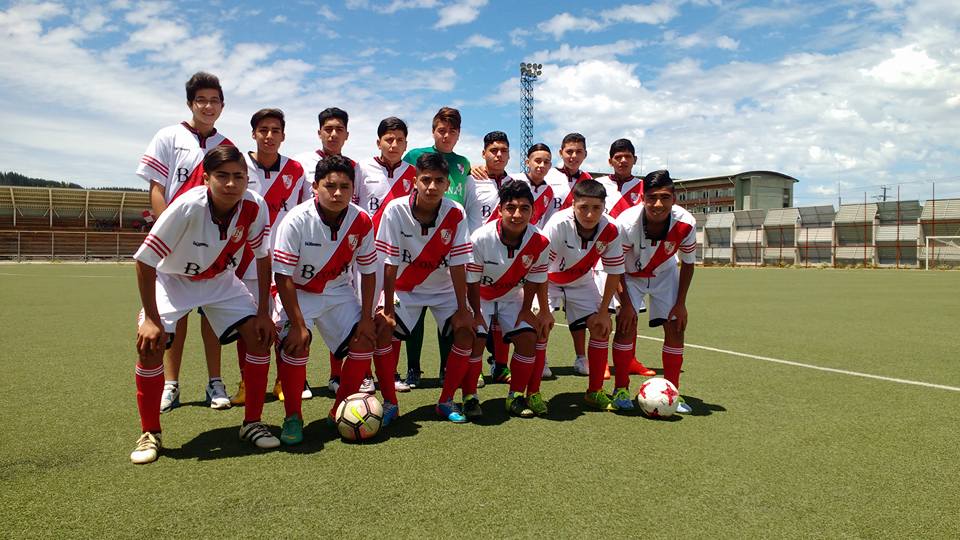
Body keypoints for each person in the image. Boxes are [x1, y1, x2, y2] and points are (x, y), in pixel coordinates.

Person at [130, 146, 278, 464]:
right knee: (150, 344)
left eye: (239, 176)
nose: (231, 184)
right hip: (173, 281)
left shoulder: (255, 206)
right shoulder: (186, 206)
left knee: (260, 335)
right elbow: (144, 262)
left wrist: (264, 311)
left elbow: (263, 256)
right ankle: (150, 433)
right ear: (206, 177)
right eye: (222, 176)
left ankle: (252, 422)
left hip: (220, 281)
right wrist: (152, 319)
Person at [271, 155, 394, 444]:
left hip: (338, 290)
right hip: (298, 291)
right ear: (315, 186)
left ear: (353, 189)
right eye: (330, 186)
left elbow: (368, 271)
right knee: (296, 342)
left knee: (366, 339)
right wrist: (299, 324)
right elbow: (283, 276)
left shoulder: (361, 219)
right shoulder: (297, 219)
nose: (337, 193)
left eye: (345, 187)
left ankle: (338, 408)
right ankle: (293, 416)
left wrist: (366, 317)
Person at [135, 71, 234, 413]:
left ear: (222, 105)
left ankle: (215, 382)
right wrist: (169, 232)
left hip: (212, 242)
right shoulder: (168, 136)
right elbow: (157, 189)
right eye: (201, 100)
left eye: (214, 100)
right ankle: (171, 384)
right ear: (191, 103)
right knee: (173, 319)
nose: (208, 106)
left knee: (211, 310)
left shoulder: (227, 146)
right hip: (175, 240)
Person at [377, 152, 475, 423]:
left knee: (466, 331)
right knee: (384, 328)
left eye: (439, 181)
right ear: (414, 181)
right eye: (426, 180)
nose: (432, 186)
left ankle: (446, 400)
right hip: (404, 287)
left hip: (443, 287)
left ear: (447, 185)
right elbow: (389, 263)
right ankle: (389, 403)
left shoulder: (456, 212)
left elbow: (458, 264)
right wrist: (386, 307)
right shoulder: (395, 210)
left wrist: (463, 308)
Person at [230, 108, 313, 406]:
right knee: (248, 325)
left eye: (275, 130)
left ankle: (282, 380)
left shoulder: (296, 170)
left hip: (284, 263)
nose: (269, 136)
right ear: (253, 134)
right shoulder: (238, 167)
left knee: (284, 323)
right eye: (263, 130)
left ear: (283, 135)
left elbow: (306, 213)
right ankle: (247, 382)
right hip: (245, 261)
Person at [293, 107, 373, 396]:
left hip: (343, 246)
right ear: (319, 132)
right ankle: (296, 379)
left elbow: (357, 204)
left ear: (347, 134)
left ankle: (336, 376)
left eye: (339, 129)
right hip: (308, 247)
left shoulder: (355, 166)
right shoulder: (303, 162)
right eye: (328, 129)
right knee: (298, 328)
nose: (333, 134)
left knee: (343, 319)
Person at [400, 107, 476, 387]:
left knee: (451, 312)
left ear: (458, 135)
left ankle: (447, 369)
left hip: (449, 240)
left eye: (452, 131)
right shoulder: (413, 156)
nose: (446, 136)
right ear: (433, 131)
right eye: (441, 130)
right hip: (416, 240)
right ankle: (413, 369)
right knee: (415, 311)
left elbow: (467, 202)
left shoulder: (463, 164)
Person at [467, 180, 553, 418]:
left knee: (528, 338)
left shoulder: (540, 241)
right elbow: (471, 281)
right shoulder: (481, 237)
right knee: (475, 338)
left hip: (512, 296)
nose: (517, 214)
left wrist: (530, 310)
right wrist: (475, 314)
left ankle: (515, 397)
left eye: (524, 208)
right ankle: (470, 397)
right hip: (480, 297)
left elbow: (537, 278)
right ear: (500, 209)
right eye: (511, 207)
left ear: (533, 211)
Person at [614, 170, 697, 414]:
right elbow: (616, 266)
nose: (658, 204)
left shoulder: (686, 223)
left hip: (664, 274)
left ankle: (673, 391)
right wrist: (627, 304)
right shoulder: (627, 223)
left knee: (675, 327)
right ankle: (620, 390)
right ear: (642, 197)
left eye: (664, 197)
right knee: (625, 325)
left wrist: (681, 304)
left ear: (674, 198)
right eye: (652, 197)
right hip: (629, 276)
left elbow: (688, 264)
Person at [542, 179, 625, 411]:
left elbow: (614, 272)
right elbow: (539, 270)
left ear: (604, 207)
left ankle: (595, 391)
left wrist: (603, 312)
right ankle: (532, 393)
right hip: (548, 281)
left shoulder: (611, 229)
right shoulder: (558, 224)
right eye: (583, 207)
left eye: (596, 208)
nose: (589, 214)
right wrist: (541, 309)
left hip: (581, 282)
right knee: (538, 327)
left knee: (601, 328)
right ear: (573, 205)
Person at [355, 116, 418, 391]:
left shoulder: (413, 172)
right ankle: (365, 373)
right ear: (378, 142)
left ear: (406, 144)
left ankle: (389, 374)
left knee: (391, 313)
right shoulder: (360, 169)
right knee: (364, 313)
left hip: (397, 256)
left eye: (399, 140)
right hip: (365, 254)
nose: (394, 144)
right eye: (389, 139)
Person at [593, 138, 657, 378]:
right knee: (604, 311)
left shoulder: (644, 189)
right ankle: (600, 362)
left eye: (627, 157)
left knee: (630, 314)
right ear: (610, 160)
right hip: (602, 258)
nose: (622, 161)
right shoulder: (597, 185)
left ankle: (628, 359)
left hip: (632, 259)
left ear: (634, 160)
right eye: (618, 157)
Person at [465, 131, 518, 385]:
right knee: (476, 314)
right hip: (476, 256)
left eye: (503, 151)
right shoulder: (470, 181)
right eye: (493, 150)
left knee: (501, 314)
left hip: (506, 258)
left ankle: (500, 366)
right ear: (483, 153)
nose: (498, 155)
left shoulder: (517, 183)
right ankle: (472, 368)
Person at [544, 133, 597, 377]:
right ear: (561, 152)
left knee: (581, 312)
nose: (573, 156)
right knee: (542, 311)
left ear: (585, 154)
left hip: (579, 251)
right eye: (569, 151)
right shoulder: (547, 174)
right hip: (549, 247)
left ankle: (581, 358)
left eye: (578, 151)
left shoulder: (590, 181)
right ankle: (541, 359)